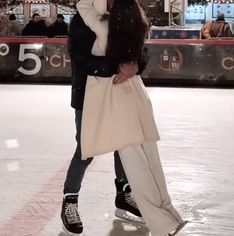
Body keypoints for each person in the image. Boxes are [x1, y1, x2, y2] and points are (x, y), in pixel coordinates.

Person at [77, 0, 187, 236]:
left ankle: (163, 224)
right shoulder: (138, 25)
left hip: (118, 100)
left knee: (137, 167)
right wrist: (132, 66)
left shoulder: (103, 27)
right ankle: (170, 216)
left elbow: (82, 5)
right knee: (151, 162)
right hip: (137, 95)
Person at [60, 2, 144, 235]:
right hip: (89, 93)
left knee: (123, 144)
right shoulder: (84, 16)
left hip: (119, 90)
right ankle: (70, 201)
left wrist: (136, 65)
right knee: (86, 150)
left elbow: (139, 47)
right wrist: (116, 67)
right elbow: (79, 57)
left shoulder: (124, 12)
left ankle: (124, 195)